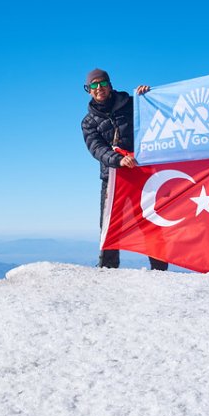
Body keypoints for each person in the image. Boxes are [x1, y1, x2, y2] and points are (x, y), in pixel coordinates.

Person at [80, 68, 168, 270]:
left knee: (150, 220)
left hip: (143, 173)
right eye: (94, 85)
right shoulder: (88, 122)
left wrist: (147, 96)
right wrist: (118, 160)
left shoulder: (132, 104)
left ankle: (160, 270)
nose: (99, 88)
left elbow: (157, 115)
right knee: (110, 224)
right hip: (112, 177)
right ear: (88, 90)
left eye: (102, 83)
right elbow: (97, 148)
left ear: (110, 85)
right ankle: (108, 270)